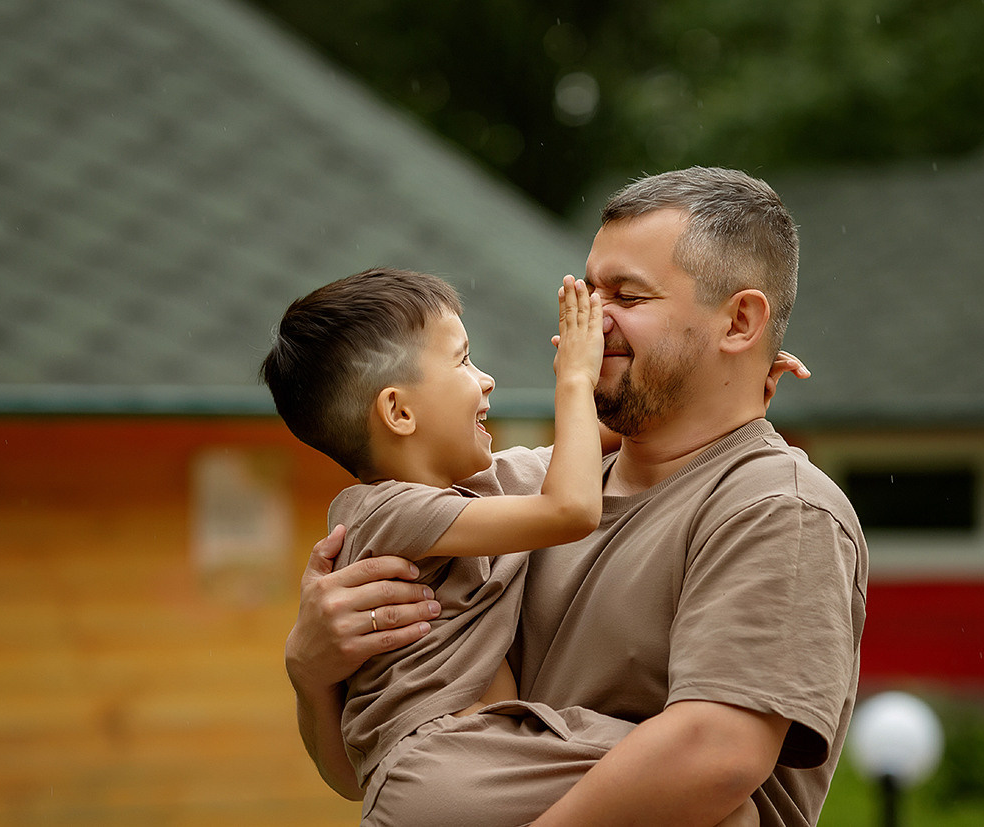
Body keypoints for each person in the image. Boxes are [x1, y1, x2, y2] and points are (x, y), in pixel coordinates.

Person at [287, 167, 866, 826]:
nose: (591, 316)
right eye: (589, 288)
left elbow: (717, 754)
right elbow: (377, 771)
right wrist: (311, 672)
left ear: (739, 320)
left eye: (626, 294)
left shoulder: (775, 507)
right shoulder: (513, 489)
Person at [262, 268, 760, 825]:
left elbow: (599, 444)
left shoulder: (474, 495)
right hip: (449, 763)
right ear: (399, 412)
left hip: (454, 769)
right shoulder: (386, 512)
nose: (487, 379)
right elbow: (570, 508)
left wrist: (731, 386)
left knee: (706, 795)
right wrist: (573, 379)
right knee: (705, 790)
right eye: (462, 360)